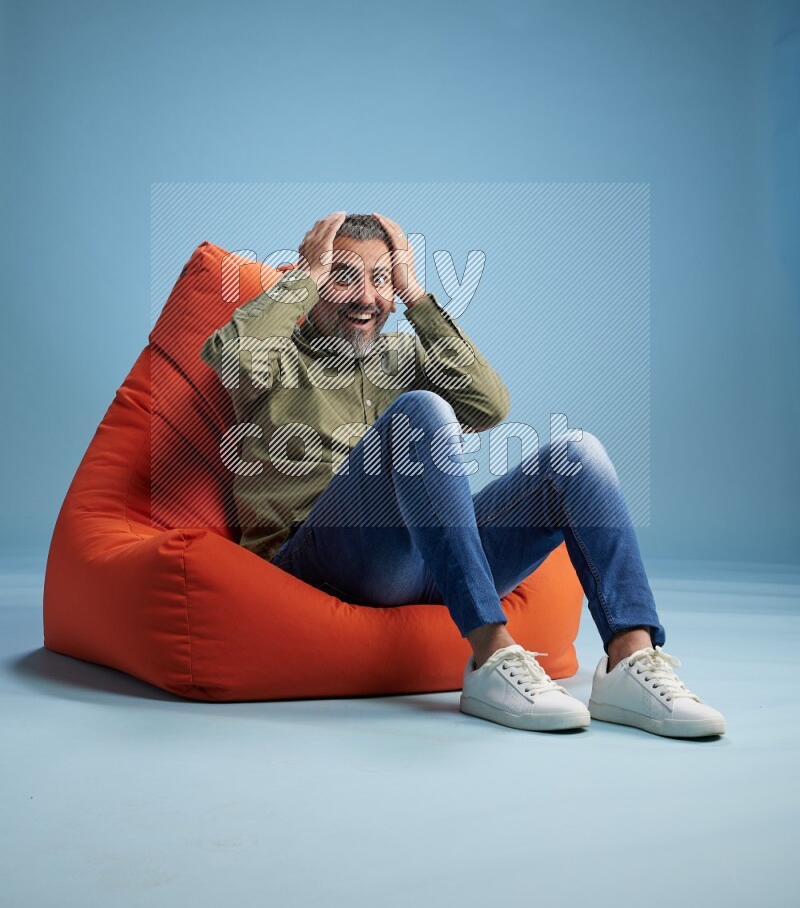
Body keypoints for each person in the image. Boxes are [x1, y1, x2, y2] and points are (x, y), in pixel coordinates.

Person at [200, 210, 726, 739]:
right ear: (311, 278)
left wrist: (414, 297)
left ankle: (628, 659)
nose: (366, 297)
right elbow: (229, 360)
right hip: (321, 562)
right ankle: (491, 656)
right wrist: (305, 278)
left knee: (578, 456)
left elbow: (488, 405)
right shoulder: (276, 356)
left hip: (432, 565)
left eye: (379, 278)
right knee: (421, 411)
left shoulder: (403, 351)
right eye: (343, 276)